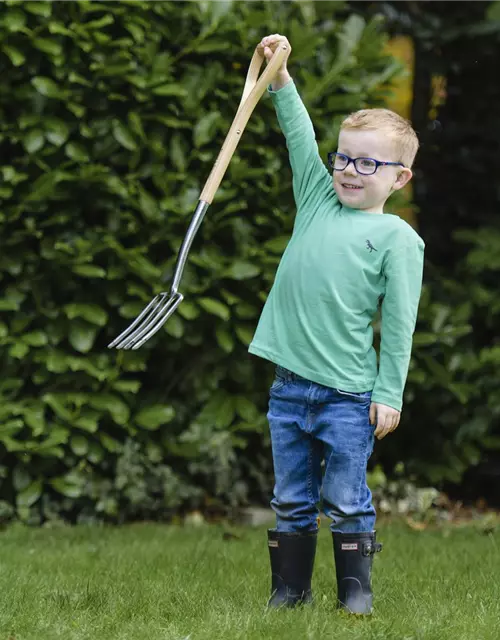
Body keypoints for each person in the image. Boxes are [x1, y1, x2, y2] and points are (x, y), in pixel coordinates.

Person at [248, 34, 425, 615]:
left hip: (348, 394)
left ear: (398, 178)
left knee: (346, 499)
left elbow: (399, 324)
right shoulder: (318, 198)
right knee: (291, 498)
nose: (350, 171)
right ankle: (289, 592)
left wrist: (389, 393)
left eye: (368, 163)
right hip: (288, 387)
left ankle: (356, 592)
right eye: (344, 157)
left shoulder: (398, 238)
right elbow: (300, 138)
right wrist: (280, 77)